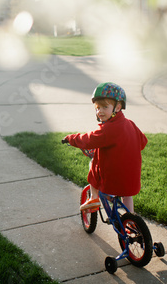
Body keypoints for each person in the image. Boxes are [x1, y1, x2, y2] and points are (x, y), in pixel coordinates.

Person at [62, 82, 147, 213]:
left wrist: (70, 138)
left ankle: (94, 198)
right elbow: (143, 141)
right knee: (127, 196)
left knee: (94, 165)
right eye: (97, 108)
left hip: (114, 176)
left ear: (117, 107)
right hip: (132, 175)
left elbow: (88, 140)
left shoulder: (108, 129)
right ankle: (130, 220)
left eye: (104, 107)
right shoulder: (130, 124)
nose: (100, 111)